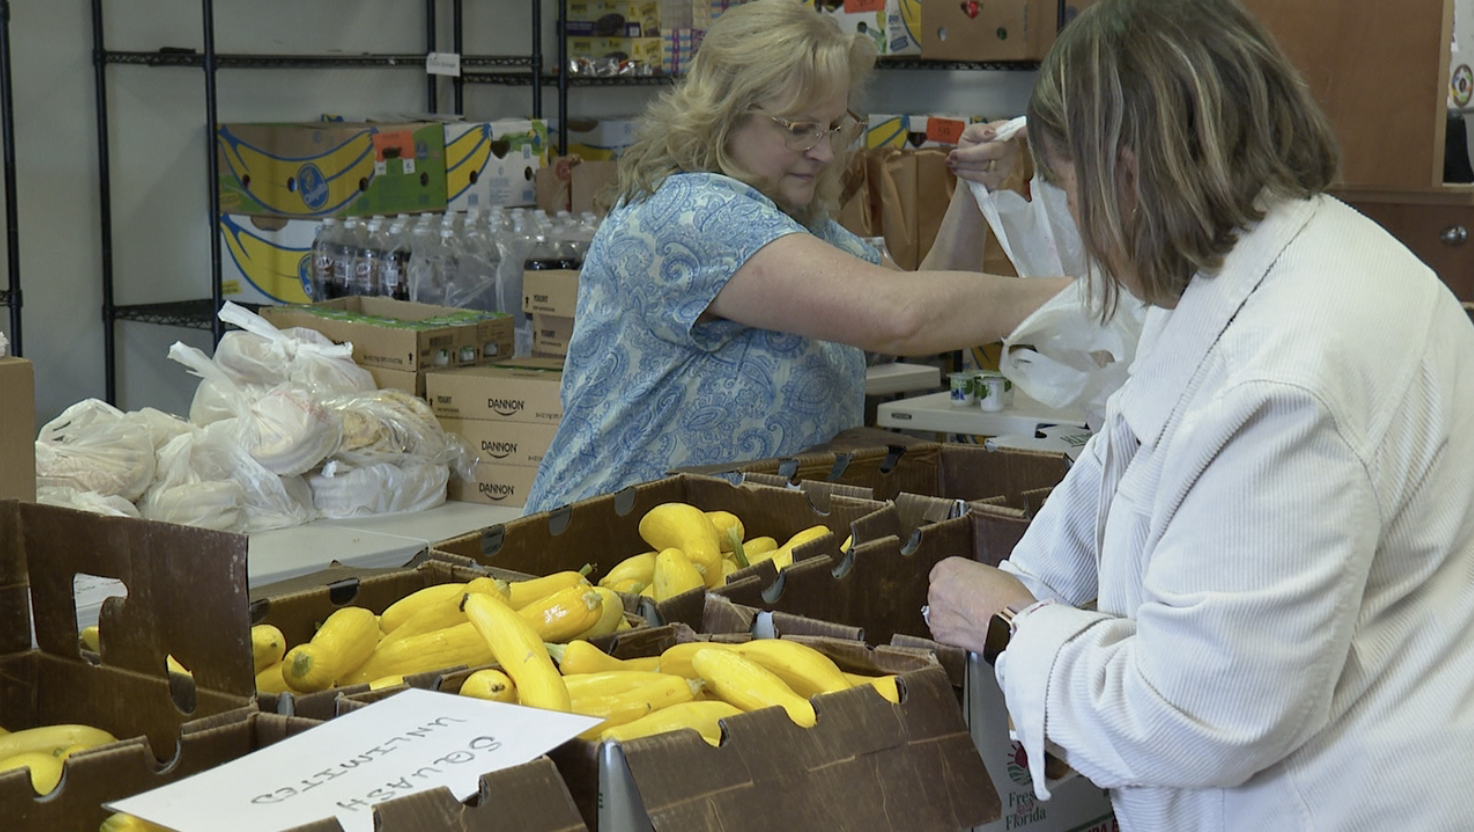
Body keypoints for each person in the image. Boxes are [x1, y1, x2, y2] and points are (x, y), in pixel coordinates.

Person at [924, 0, 1474, 828]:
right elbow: (1127, 461)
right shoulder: (1270, 266)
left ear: (1130, 173)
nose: (1074, 218)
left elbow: (1202, 711)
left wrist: (1011, 626)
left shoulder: (1285, 379)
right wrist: (1028, 580)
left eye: (1071, 189)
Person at [522, 0, 1070, 514]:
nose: (826, 151)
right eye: (799, 129)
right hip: (598, 549)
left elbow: (927, 297)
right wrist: (1086, 297)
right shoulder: (690, 215)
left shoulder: (791, 222)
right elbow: (898, 317)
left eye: (833, 126)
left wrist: (974, 195)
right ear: (725, 115)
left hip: (707, 548)